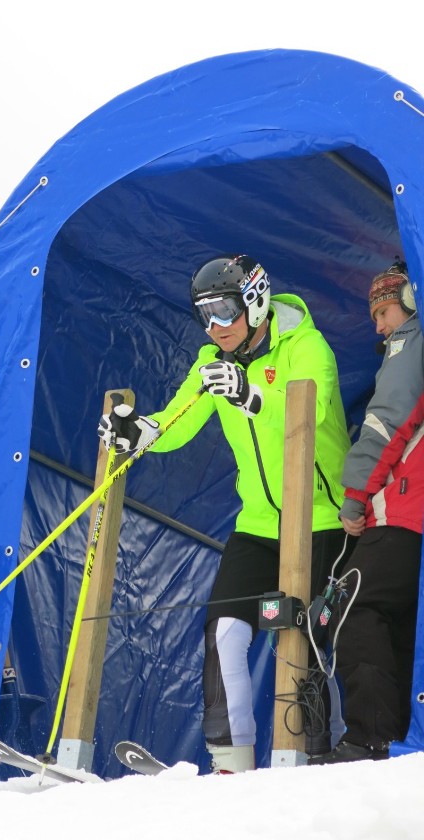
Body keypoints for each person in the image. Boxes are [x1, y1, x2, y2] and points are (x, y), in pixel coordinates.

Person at [98, 254, 352, 772]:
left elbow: (311, 410)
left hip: (320, 516)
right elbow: (178, 419)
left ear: (254, 303)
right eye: (204, 316)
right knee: (224, 632)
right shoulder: (213, 359)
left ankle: (316, 761)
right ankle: (230, 762)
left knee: (306, 640)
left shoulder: (306, 346)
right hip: (258, 522)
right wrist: (138, 434)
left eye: (224, 312)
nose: (215, 327)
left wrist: (251, 396)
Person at [309, 260, 424, 765]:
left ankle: (369, 741)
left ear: (411, 299)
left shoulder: (411, 341)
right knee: (396, 623)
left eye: (383, 310)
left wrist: (355, 494)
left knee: (354, 610)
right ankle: (393, 742)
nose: (378, 326)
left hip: (401, 511)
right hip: (406, 514)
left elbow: (387, 419)